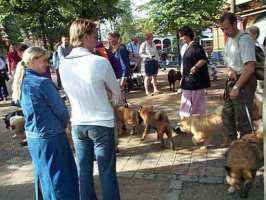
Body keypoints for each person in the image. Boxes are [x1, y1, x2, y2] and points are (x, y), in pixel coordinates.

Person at [59, 19, 121, 200]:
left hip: (78, 122)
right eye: (95, 36)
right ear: (85, 37)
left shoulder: (63, 63)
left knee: (84, 171)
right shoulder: (99, 62)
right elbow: (117, 96)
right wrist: (109, 96)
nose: (97, 40)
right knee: (107, 172)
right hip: (101, 122)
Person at [12, 47, 79, 200]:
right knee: (60, 179)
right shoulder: (43, 83)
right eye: (44, 61)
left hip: (34, 137)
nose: (47, 64)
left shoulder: (22, 81)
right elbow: (62, 112)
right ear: (33, 61)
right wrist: (65, 123)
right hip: (51, 136)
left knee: (44, 176)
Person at [220, 12, 257, 140]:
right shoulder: (230, 40)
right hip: (233, 80)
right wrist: (230, 70)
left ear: (235, 24)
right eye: (222, 29)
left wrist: (237, 87)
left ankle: (248, 150)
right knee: (227, 114)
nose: (225, 32)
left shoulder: (245, 39)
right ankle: (233, 144)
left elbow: (250, 67)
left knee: (243, 118)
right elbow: (227, 62)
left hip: (244, 81)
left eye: (227, 28)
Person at [177, 26, 210, 119]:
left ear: (187, 35)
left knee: (197, 105)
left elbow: (203, 59)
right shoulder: (186, 47)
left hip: (196, 81)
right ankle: (184, 123)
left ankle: (198, 124)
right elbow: (185, 65)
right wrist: (182, 78)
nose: (180, 39)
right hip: (187, 81)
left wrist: (195, 67)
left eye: (181, 36)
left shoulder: (196, 46)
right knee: (185, 102)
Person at [247, 26, 264, 102]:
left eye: (248, 34)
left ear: (254, 34)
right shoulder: (260, 46)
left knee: (260, 99)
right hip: (259, 76)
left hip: (257, 76)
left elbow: (259, 63)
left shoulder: (254, 47)